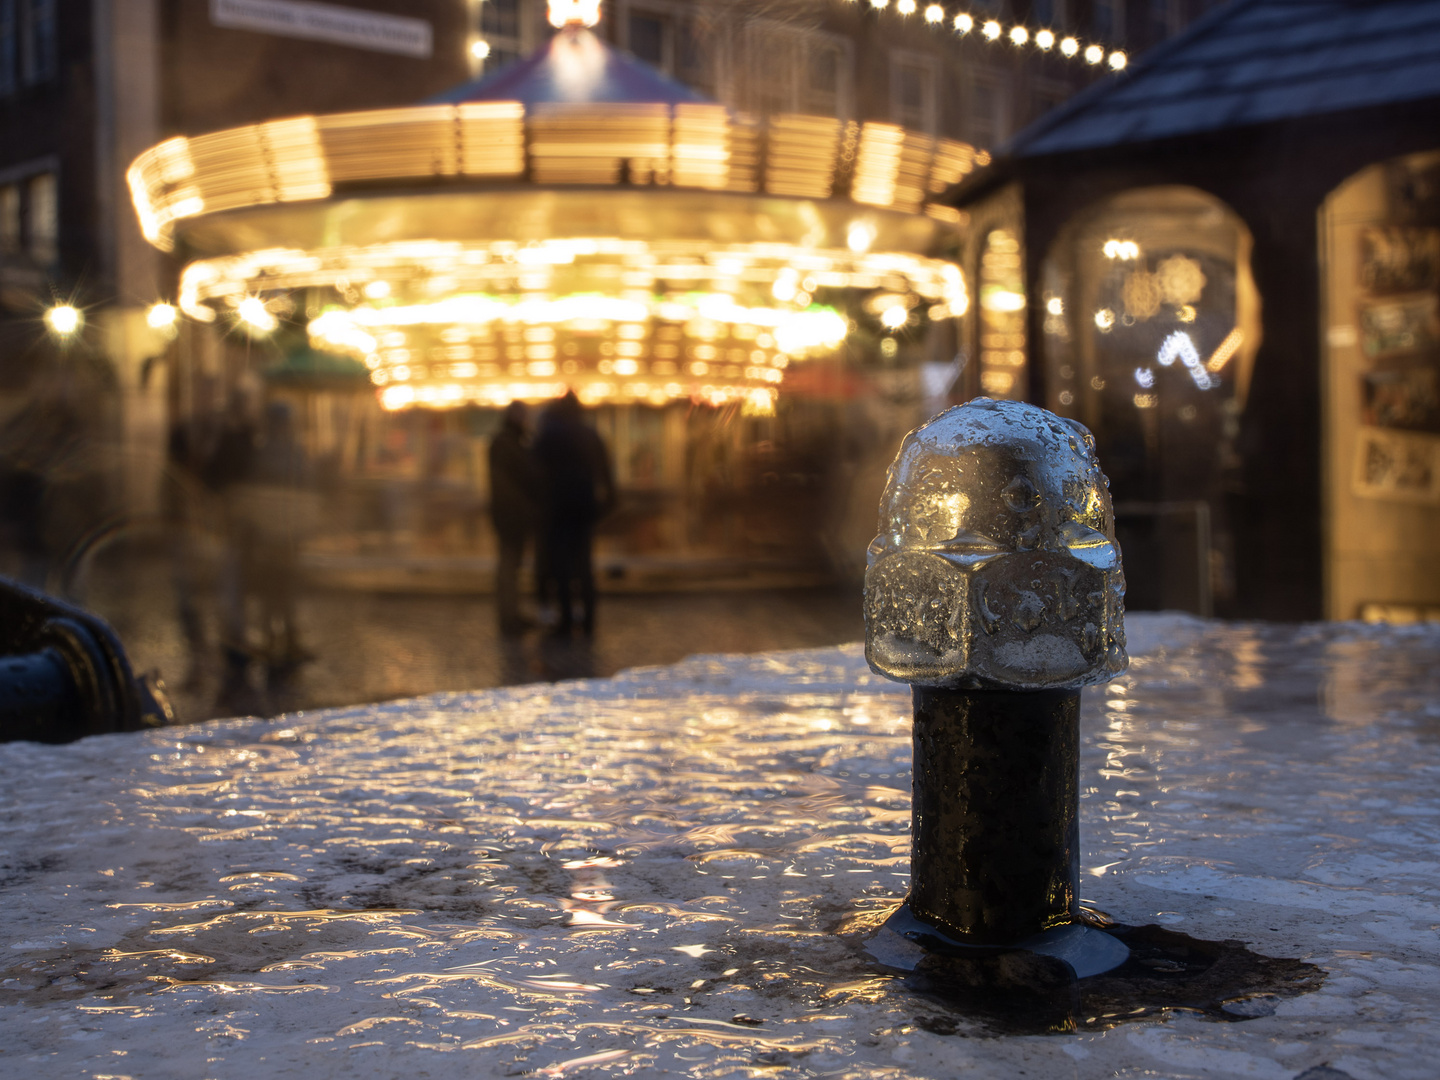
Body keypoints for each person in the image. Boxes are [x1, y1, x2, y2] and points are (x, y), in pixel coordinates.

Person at [532, 391, 614, 636]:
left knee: (561, 567)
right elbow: (605, 470)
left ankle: (566, 620)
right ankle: (589, 620)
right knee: (584, 565)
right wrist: (605, 502)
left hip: (556, 508)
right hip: (583, 507)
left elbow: (534, 471)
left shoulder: (549, 435)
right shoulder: (590, 434)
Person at [487, 401, 538, 635]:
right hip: (511, 516)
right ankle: (509, 617)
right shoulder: (510, 444)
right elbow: (524, 477)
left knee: (511, 567)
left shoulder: (505, 442)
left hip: (508, 515)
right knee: (509, 568)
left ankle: (511, 613)